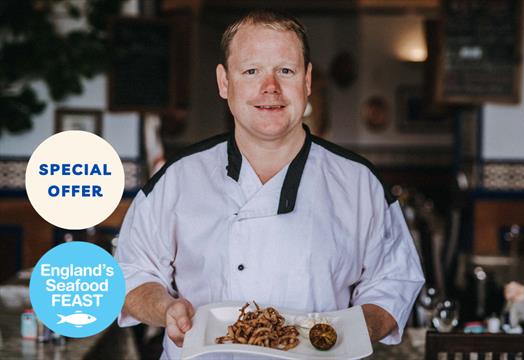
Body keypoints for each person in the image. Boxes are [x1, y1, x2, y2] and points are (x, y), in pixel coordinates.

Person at [115, 10, 424, 359]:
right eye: (251, 71)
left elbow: (393, 280)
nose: (270, 88)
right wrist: (166, 309)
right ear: (224, 82)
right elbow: (131, 271)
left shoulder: (359, 183)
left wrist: (353, 331)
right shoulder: (177, 178)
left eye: (286, 71)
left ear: (307, 81)